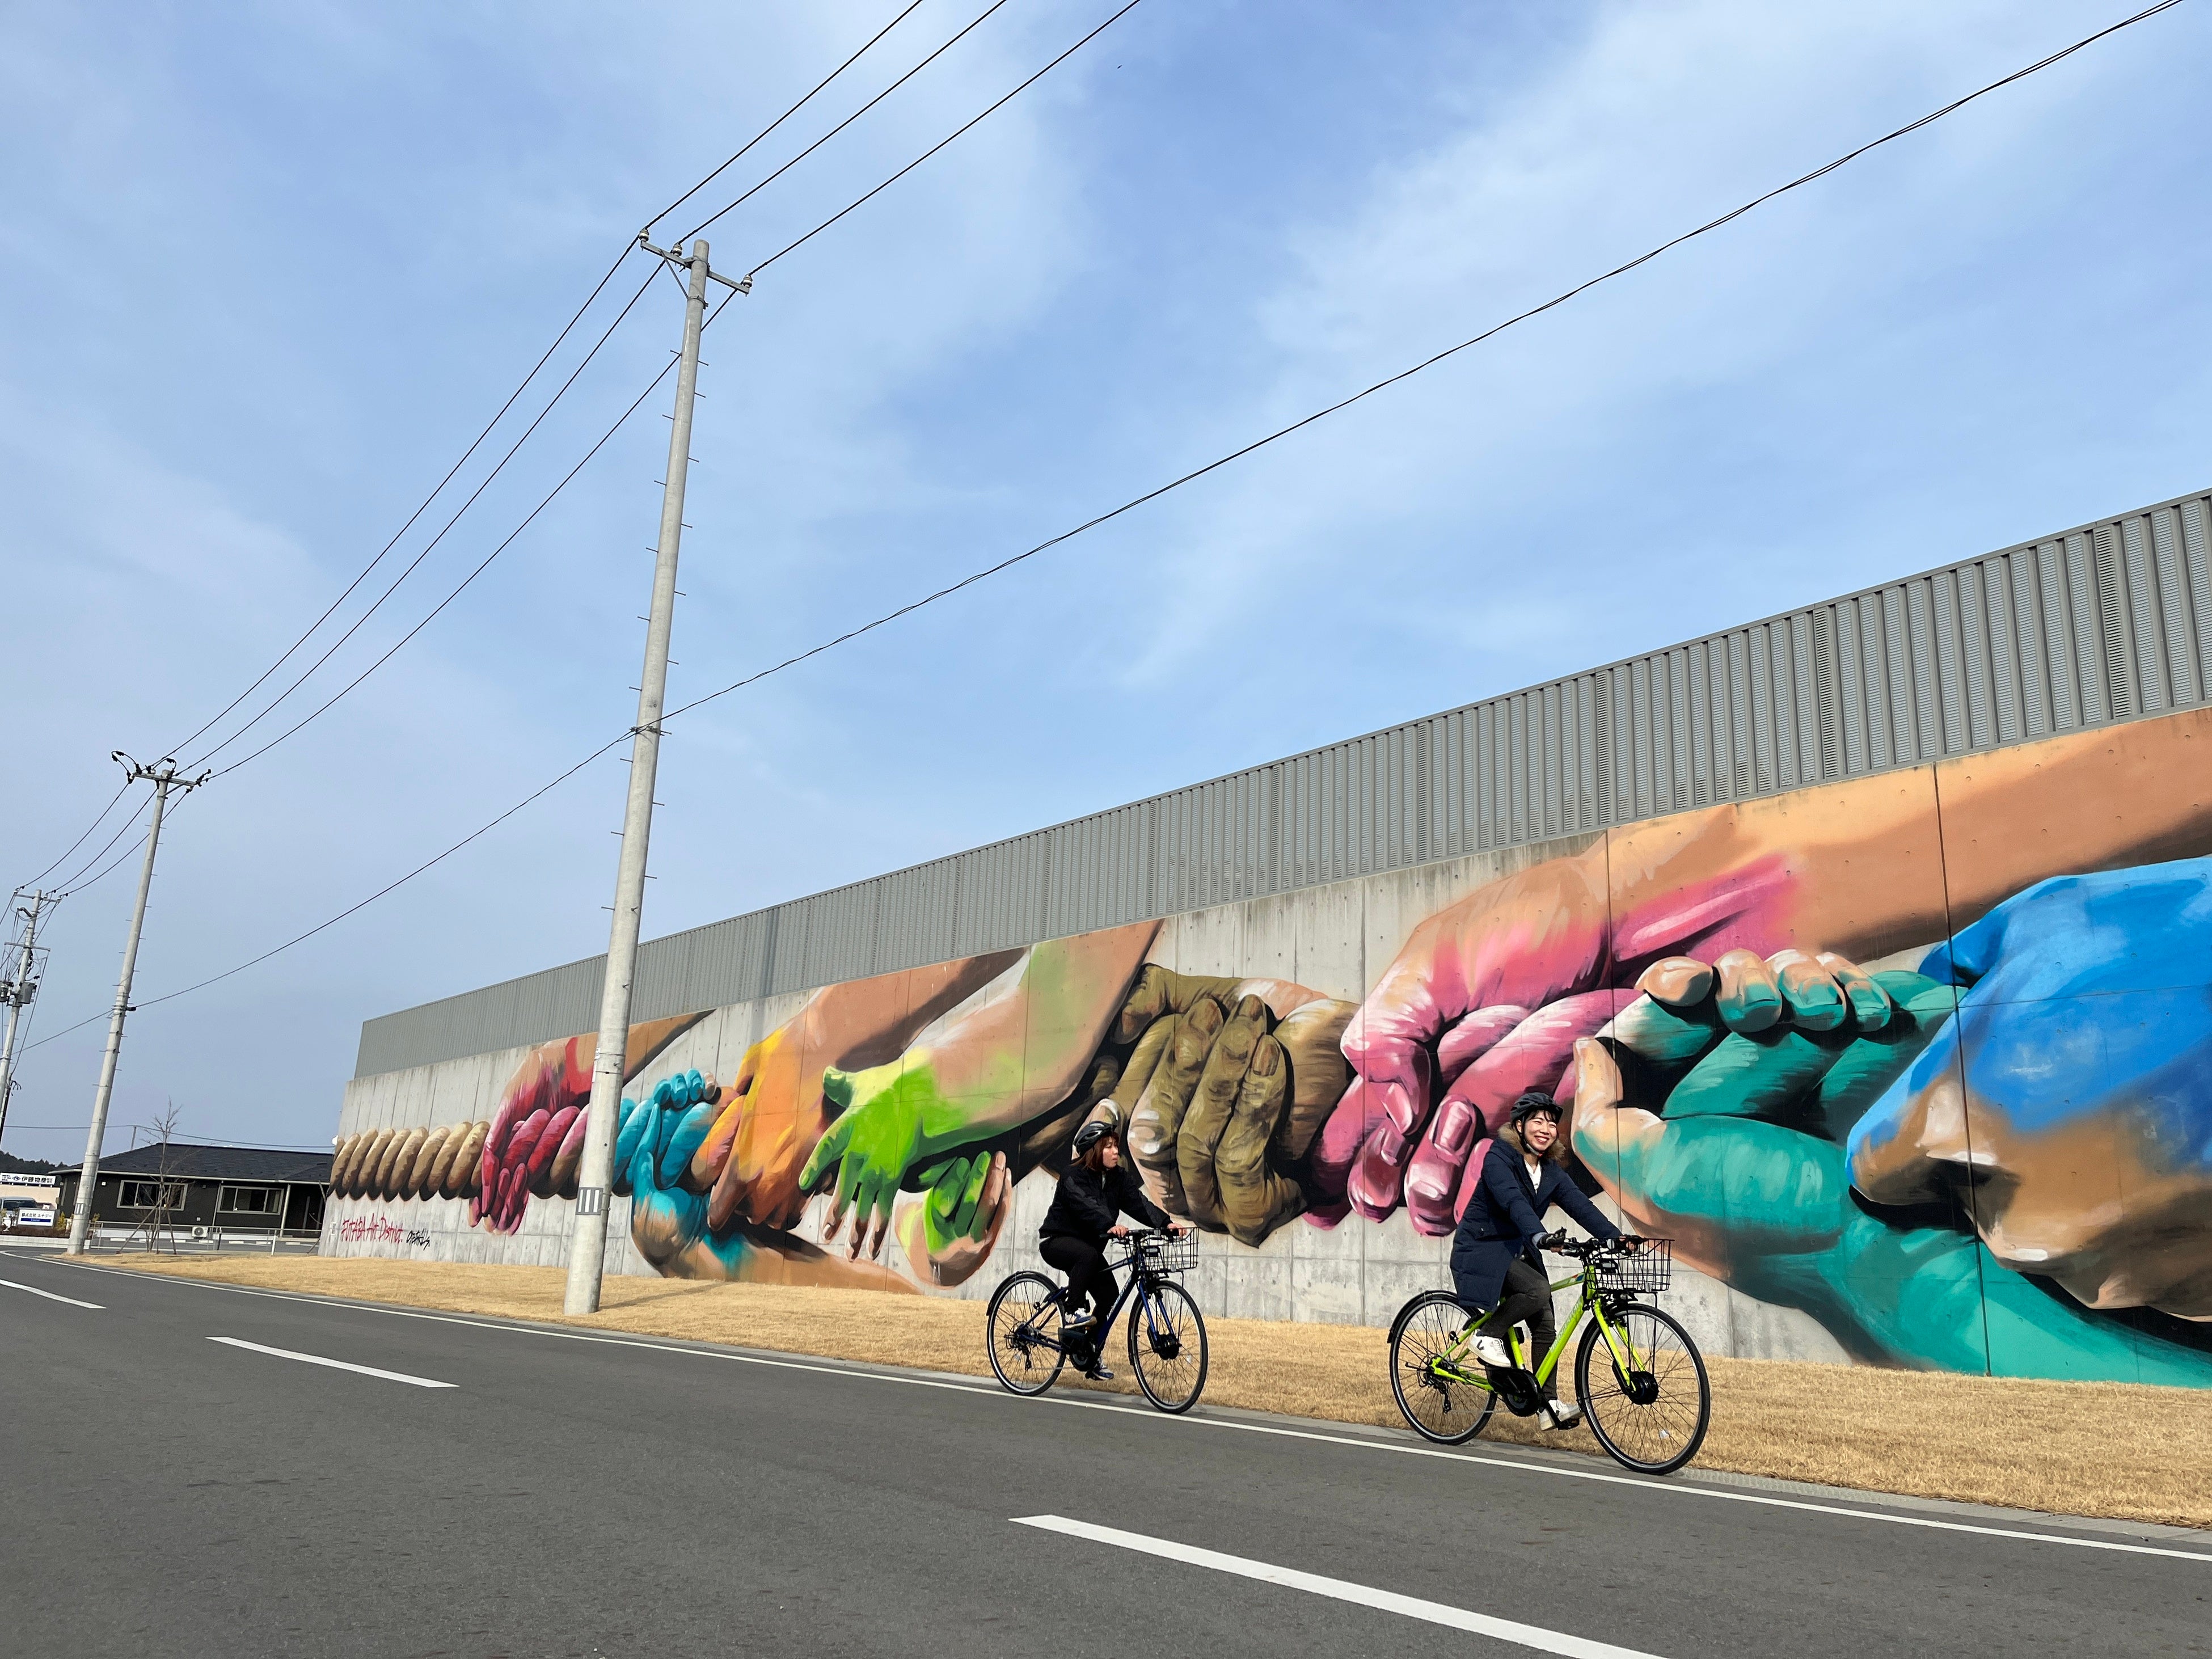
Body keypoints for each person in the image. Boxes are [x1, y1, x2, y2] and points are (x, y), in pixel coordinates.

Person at [1449, 1090, 1621, 1428]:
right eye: (1538, 1121)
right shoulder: (1499, 1157)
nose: (1546, 1128)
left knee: (1545, 1323)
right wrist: (1540, 1236)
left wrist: (1617, 1237)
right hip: (1482, 1248)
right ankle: (1488, 1334)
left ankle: (1548, 1405)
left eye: (1552, 1123)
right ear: (1519, 1125)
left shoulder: (1550, 1171)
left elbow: (1580, 1205)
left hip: (1517, 1248)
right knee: (1537, 1291)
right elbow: (1514, 1202)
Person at [1038, 1119, 1183, 1380]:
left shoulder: (1117, 1178)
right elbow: (1086, 1205)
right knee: (1087, 1255)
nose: (1116, 1151)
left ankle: (1089, 1353)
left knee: (1109, 1296)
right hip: (1057, 1241)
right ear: (1095, 1150)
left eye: (1116, 1146)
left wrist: (1165, 1223)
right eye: (1109, 1146)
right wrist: (1110, 1225)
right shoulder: (1073, 1175)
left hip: (1089, 1250)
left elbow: (1139, 1203)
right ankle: (1072, 1311)